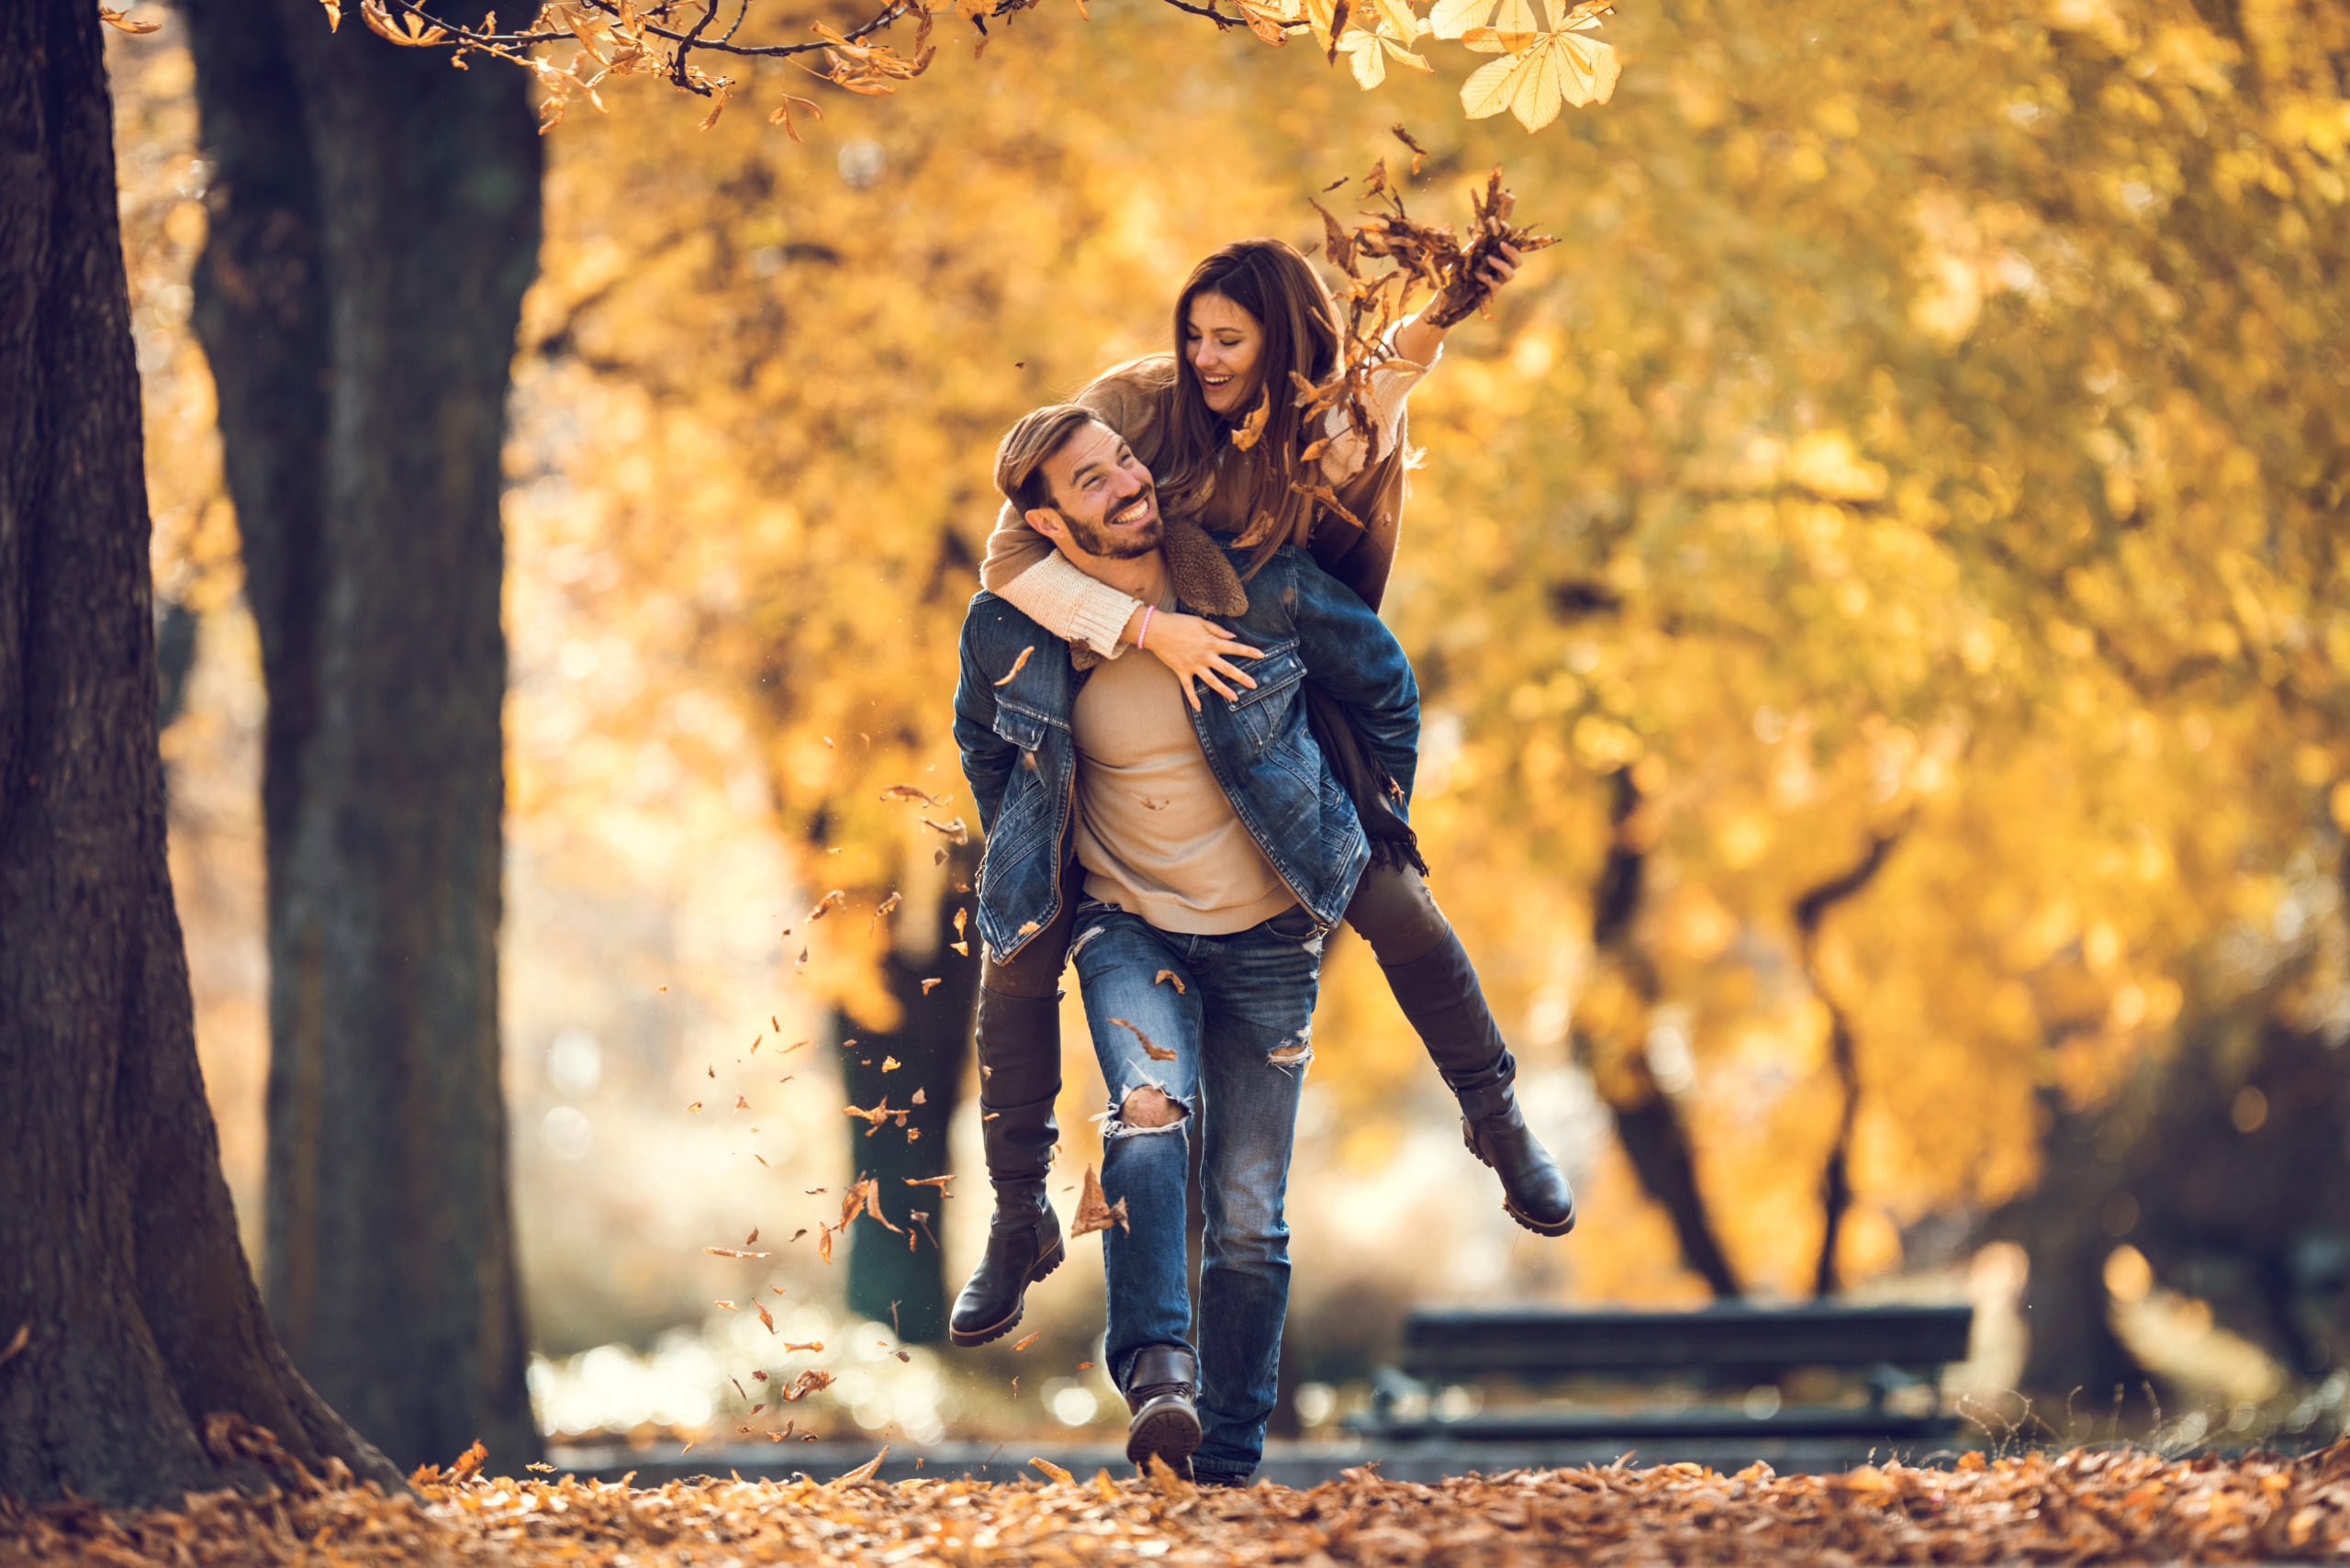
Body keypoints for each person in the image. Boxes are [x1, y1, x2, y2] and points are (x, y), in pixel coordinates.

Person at [950, 240, 1572, 1353]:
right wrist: (1144, 636)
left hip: (1279, 709)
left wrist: (1378, 801)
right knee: (1014, 939)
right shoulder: (1132, 410)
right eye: (1193, 333)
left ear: (1282, 341)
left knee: (1398, 904)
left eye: (1227, 339)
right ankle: (1014, 1215)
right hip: (1153, 663)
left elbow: (1372, 401)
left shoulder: (1312, 426)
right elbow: (1008, 566)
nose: (1202, 357)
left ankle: (1499, 1119)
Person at [952, 402, 1420, 1482]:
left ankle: (1231, 1458)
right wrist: (1034, 839)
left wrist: (1358, 817)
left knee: (1250, 1218)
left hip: (1262, 933)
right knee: (1148, 1113)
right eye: (1089, 481)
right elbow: (986, 749)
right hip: (1125, 922)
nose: (1124, 482)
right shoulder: (1019, 623)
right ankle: (1157, 1368)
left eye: (1122, 461)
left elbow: (1384, 682)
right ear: (1046, 524)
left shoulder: (1236, 571)